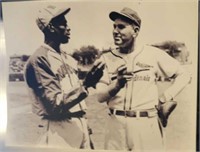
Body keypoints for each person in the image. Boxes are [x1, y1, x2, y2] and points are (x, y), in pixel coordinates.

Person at [96, 7, 191, 151]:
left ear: (135, 31)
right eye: (114, 26)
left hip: (146, 125)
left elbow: (184, 75)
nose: (115, 31)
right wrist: (117, 85)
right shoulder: (106, 57)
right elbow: (100, 96)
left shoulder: (152, 54)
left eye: (121, 27)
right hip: (115, 125)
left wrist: (164, 98)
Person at [24, 5, 104, 149]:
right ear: (51, 28)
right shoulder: (39, 59)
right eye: (63, 24)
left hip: (80, 124)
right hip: (59, 129)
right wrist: (85, 85)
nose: (68, 28)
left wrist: (86, 129)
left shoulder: (68, 57)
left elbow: (77, 100)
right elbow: (54, 104)